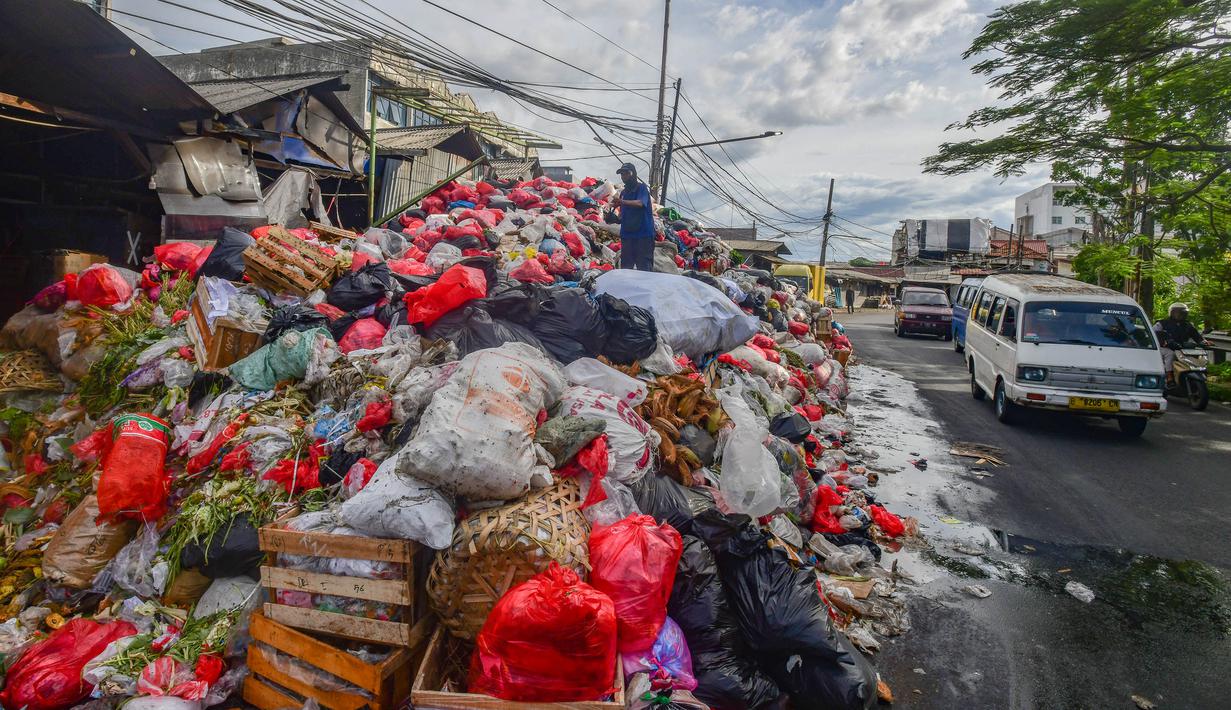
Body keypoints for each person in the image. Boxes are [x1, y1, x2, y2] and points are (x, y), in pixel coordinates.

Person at [615, 163, 655, 271]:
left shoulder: (641, 188)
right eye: (622, 174)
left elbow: (641, 203)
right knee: (626, 268)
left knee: (644, 268)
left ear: (633, 174)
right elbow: (622, 214)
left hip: (643, 235)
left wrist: (622, 202)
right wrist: (614, 218)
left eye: (626, 173)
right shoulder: (623, 193)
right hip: (627, 235)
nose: (624, 176)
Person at [1154, 303, 1209, 379]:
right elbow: (1154, 334)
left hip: (1182, 348)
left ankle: (1197, 370)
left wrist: (1203, 341)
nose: (1179, 315)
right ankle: (1169, 375)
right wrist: (1164, 342)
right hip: (1165, 347)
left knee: (1196, 354)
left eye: (1182, 313)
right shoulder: (1162, 323)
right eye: (1177, 313)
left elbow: (1196, 335)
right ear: (1171, 313)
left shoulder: (1188, 324)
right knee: (1170, 354)